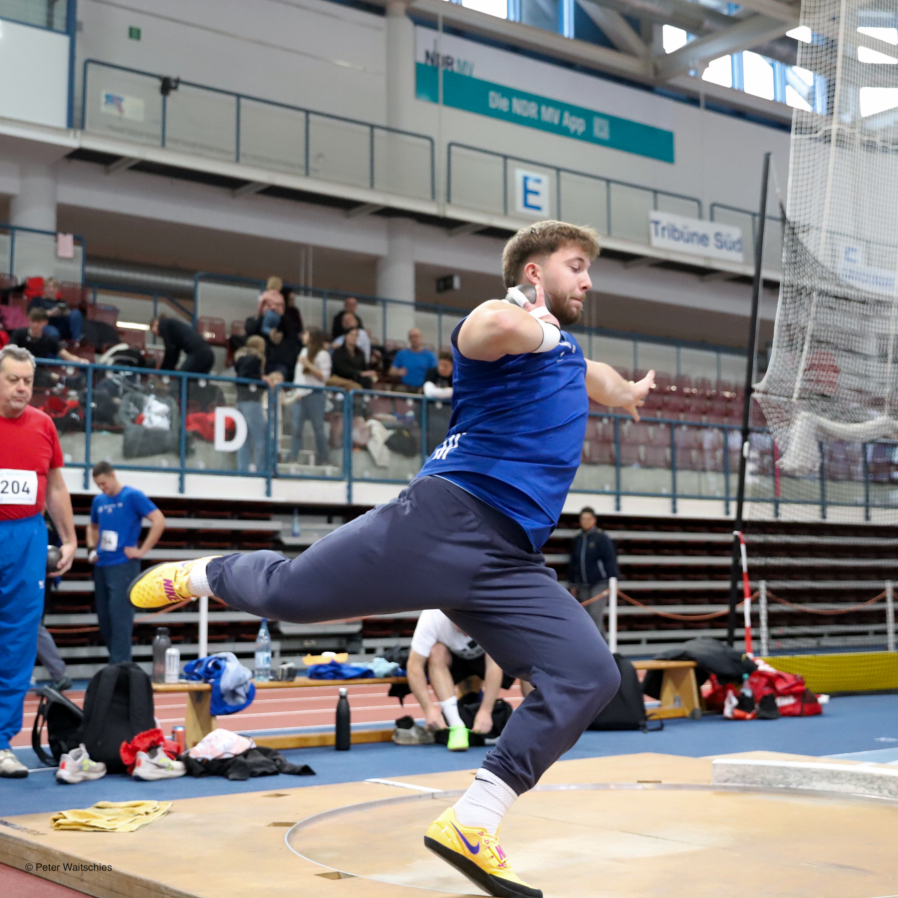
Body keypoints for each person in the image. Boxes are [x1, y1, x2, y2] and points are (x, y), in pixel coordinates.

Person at [129, 219, 653, 898]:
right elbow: (491, 325)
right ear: (534, 272)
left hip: (510, 560)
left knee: (589, 674)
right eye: (576, 265)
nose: (587, 280)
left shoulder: (566, 354)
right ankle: (204, 573)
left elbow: (595, 376)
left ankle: (474, 821)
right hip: (445, 519)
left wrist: (624, 391)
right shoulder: (507, 328)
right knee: (292, 598)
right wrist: (542, 329)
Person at [0, 345, 76, 779]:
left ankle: (1, 742)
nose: (21, 388)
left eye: (27, 381)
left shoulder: (44, 425)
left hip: (28, 537)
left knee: (18, 641)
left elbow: (56, 487)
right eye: (13, 379)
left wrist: (69, 537)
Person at [407, 609, 523, 752]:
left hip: (488, 656)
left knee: (529, 659)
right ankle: (456, 726)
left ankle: (538, 722)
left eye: (471, 627)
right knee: (436, 651)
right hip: (454, 660)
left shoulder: (490, 613)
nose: (466, 635)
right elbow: (414, 666)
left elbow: (495, 665)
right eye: (462, 628)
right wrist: (428, 709)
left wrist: (486, 711)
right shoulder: (433, 615)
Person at [87, 462, 165, 664]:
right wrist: (91, 549)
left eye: (104, 483)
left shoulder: (132, 496)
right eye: (98, 485)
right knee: (104, 620)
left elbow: (158, 520)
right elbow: (92, 526)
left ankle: (118, 667)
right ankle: (120, 665)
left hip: (123, 565)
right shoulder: (99, 500)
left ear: (112, 476)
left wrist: (142, 550)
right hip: (102, 565)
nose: (102, 488)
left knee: (120, 619)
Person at [567, 506, 620, 641]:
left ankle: (593, 647)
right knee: (587, 617)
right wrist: (573, 583)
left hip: (599, 583)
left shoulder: (601, 538)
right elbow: (573, 562)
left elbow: (610, 559)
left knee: (595, 615)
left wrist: (613, 580)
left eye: (588, 519)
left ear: (594, 520)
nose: (585, 521)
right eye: (583, 519)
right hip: (583, 584)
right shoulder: (577, 539)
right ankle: (604, 647)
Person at [287, 328, 331, 465]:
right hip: (300, 394)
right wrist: (296, 391)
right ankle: (293, 456)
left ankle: (323, 458)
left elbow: (324, 377)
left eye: (306, 334)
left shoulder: (323, 354)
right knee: (296, 428)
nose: (303, 337)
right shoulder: (304, 351)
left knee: (318, 428)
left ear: (312, 337)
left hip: (315, 394)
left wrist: (308, 365)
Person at [233, 336, 270, 473]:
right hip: (252, 402)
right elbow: (250, 379)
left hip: (241, 401)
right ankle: (261, 470)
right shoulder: (254, 360)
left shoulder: (240, 360)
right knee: (261, 439)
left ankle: (243, 470)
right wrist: (262, 381)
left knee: (244, 438)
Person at [11, 308, 80, 363]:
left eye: (38, 322)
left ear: (45, 322)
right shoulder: (19, 334)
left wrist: (81, 361)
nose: (35, 325)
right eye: (33, 321)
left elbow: (67, 356)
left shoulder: (50, 340)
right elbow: (9, 351)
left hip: (41, 373)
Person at [26, 277, 83, 342]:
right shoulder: (37, 300)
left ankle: (76, 342)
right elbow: (32, 314)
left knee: (76, 313)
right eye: (48, 287)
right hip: (47, 326)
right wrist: (50, 313)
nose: (51, 290)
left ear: (57, 289)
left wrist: (67, 313)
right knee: (53, 332)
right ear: (44, 288)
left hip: (63, 326)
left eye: (54, 287)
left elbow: (72, 316)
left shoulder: (63, 302)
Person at [424, 351, 454, 454]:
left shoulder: (457, 376)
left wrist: (438, 392)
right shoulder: (432, 372)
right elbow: (429, 391)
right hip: (430, 412)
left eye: (446, 366)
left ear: (452, 366)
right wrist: (449, 392)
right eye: (440, 364)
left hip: (448, 414)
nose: (442, 368)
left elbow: (457, 392)